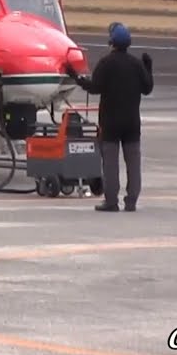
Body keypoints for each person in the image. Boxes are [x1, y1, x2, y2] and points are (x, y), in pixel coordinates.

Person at [64, 21, 153, 212]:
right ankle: (131, 202)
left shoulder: (106, 63)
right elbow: (147, 89)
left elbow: (94, 87)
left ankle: (111, 201)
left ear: (111, 42)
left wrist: (75, 77)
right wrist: (148, 68)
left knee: (110, 163)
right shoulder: (136, 64)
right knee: (133, 162)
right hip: (131, 122)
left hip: (111, 122)